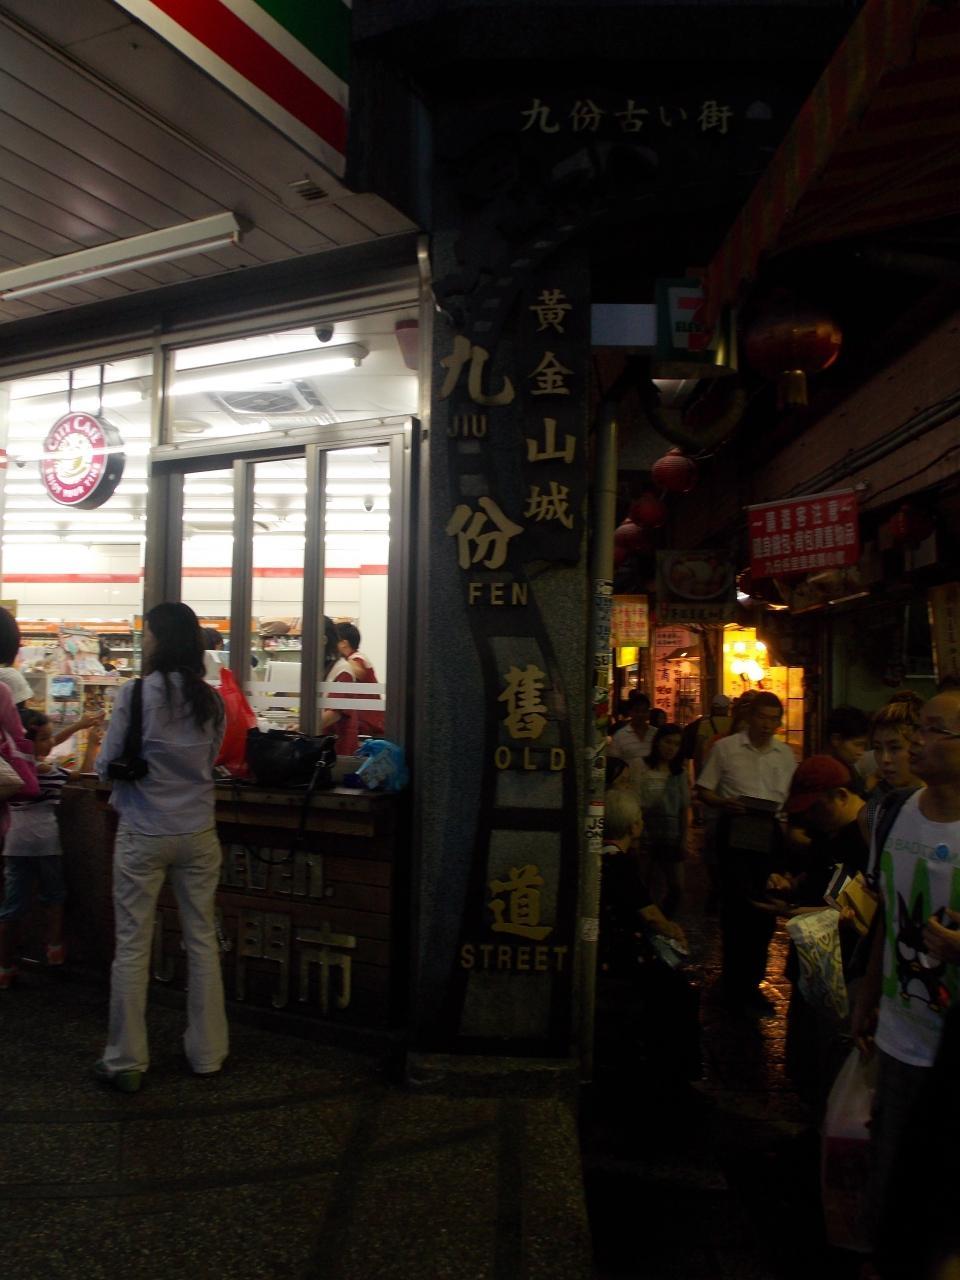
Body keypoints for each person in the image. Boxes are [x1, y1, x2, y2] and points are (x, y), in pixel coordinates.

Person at [95, 602, 227, 1092]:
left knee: (133, 944)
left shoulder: (135, 694)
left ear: (159, 640)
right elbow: (212, 758)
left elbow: (107, 763)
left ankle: (127, 1060)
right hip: (198, 832)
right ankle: (208, 1054)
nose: (144, 642)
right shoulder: (211, 700)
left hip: (143, 831)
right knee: (202, 940)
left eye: (147, 634)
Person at [852, 687, 960, 1274]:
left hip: (952, 1048)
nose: (919, 742)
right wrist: (868, 996)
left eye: (936, 730)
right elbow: (887, 919)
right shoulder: (895, 812)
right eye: (922, 728)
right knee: (890, 1181)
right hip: (900, 1032)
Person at [696, 691, 797, 1016]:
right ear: (750, 717)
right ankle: (733, 984)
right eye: (762, 718)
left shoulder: (785, 754)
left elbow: (789, 802)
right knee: (736, 909)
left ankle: (753, 984)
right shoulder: (726, 749)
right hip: (735, 831)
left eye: (774, 719)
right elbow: (704, 790)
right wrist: (725, 803)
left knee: (765, 911)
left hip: (770, 832)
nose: (768, 725)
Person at [597, 788, 700, 1085]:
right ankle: (673, 1068)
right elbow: (651, 915)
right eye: (640, 818)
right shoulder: (619, 864)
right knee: (678, 992)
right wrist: (673, 931)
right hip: (620, 952)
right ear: (633, 826)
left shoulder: (599, 858)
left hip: (608, 946)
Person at [0, 710, 102, 987]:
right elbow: (83, 775)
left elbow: (48, 744)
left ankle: (5, 967)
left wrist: (79, 726)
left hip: (16, 846)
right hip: (47, 845)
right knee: (54, 897)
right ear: (29, 742)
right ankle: (54, 949)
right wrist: (92, 745)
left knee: (12, 908)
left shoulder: (13, 770)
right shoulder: (51, 772)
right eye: (44, 738)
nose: (50, 743)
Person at [630, 722, 689, 917]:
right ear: (657, 742)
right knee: (644, 883)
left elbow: (683, 808)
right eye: (667, 742)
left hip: (670, 835)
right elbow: (635, 800)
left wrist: (683, 838)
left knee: (677, 886)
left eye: (676, 744)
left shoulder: (679, 773)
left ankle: (663, 920)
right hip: (646, 832)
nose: (671, 748)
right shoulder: (640, 766)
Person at [858, 692, 923, 851]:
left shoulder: (947, 803)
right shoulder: (872, 813)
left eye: (895, 748)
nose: (884, 759)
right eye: (878, 749)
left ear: (918, 746)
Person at [336, 621, 385, 737]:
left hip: (368, 725)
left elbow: (359, 672)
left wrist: (341, 661)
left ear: (344, 643)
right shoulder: (357, 657)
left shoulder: (356, 658)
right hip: (368, 722)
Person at [321, 616, 358, 755]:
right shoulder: (325, 668)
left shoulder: (343, 670)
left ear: (324, 640)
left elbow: (334, 713)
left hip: (337, 749)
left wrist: (304, 726)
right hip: (326, 744)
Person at [825, 704, 870, 794]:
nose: (861, 752)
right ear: (836, 739)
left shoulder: (847, 766)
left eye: (864, 746)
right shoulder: (829, 772)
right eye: (857, 745)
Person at [608, 690, 655, 766]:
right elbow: (613, 763)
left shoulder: (656, 733)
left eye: (644, 711)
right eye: (637, 711)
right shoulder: (619, 736)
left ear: (649, 712)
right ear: (630, 712)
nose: (640, 714)